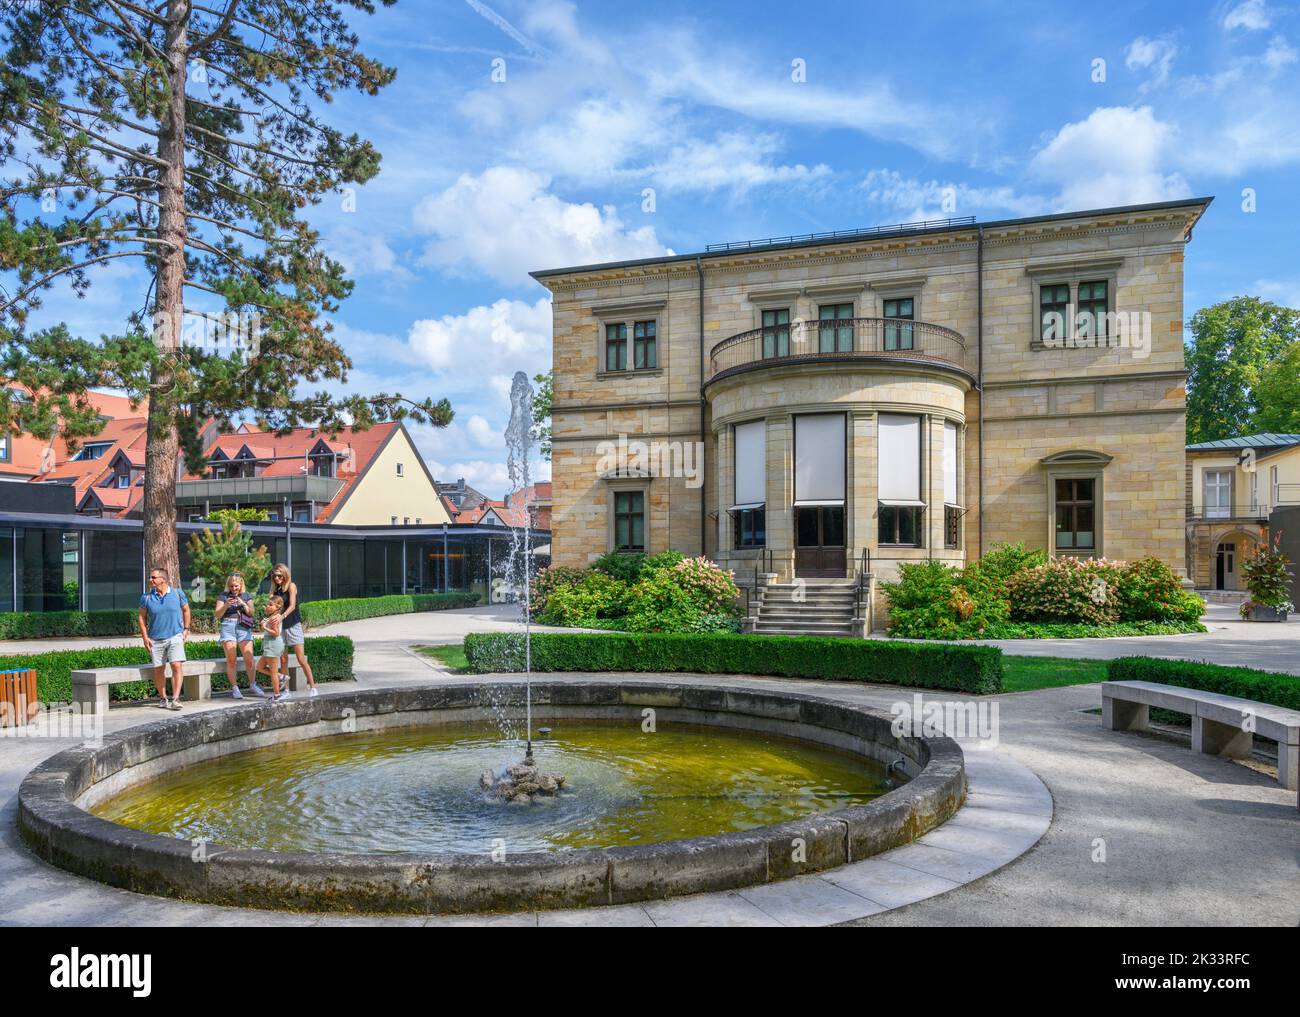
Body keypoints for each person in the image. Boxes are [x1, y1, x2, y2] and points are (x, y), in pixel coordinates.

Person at [138, 567, 191, 711]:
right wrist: (145, 638)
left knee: (176, 665)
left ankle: (176, 699)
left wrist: (186, 629)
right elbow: (141, 618)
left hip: (175, 636)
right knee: (159, 670)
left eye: (153, 577)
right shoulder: (146, 597)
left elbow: (186, 610)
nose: (150, 580)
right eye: (150, 577)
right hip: (155, 639)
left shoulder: (177, 593)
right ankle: (163, 698)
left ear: (163, 579)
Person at [270, 563, 318, 697]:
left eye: (279, 575)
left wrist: (282, 616)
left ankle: (313, 687)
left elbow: (292, 606)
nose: (277, 578)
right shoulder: (276, 590)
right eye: (274, 576)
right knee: (283, 660)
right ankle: (286, 691)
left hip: (293, 625)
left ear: (285, 574)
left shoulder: (291, 586)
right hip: (281, 628)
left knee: (301, 658)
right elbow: (271, 606)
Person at [214, 573, 260, 699]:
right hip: (228, 626)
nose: (234, 589)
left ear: (241, 585)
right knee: (231, 660)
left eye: (236, 586)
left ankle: (253, 684)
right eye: (231, 586)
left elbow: (252, 613)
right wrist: (226, 605)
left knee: (249, 658)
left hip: (243, 628)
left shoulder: (246, 596)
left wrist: (243, 604)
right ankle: (235, 688)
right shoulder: (223, 596)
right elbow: (217, 614)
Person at [255, 595, 289, 702]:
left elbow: (276, 633)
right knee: (260, 667)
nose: (267, 606)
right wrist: (263, 626)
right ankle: (282, 677)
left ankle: (277, 695)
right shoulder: (271, 617)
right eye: (268, 604)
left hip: (273, 645)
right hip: (269, 645)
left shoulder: (274, 618)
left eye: (270, 605)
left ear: (278, 607)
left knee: (273, 672)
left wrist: (264, 627)